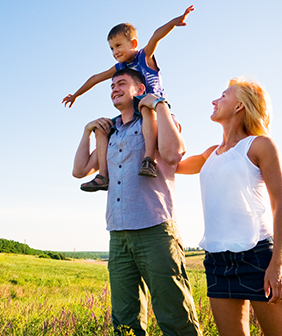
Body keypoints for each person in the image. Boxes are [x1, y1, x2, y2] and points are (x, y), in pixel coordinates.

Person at [72, 68, 202, 336]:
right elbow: (80, 170)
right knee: (124, 319)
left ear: (139, 90)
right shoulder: (112, 133)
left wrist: (159, 105)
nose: (114, 89)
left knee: (174, 314)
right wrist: (87, 131)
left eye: (121, 83)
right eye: (111, 86)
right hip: (118, 234)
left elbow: (174, 153)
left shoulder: (156, 120)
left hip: (154, 229)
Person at [176, 77, 282, 336]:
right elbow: (170, 164)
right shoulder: (210, 154)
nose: (214, 100)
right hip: (217, 261)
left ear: (239, 106)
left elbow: (280, 205)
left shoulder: (260, 145)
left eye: (222, 96)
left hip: (258, 256)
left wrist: (277, 263)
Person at [64, 6, 194, 192]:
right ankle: (103, 175)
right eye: (111, 48)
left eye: (118, 46)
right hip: (133, 111)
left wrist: (174, 22)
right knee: (103, 128)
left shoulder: (144, 57)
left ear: (133, 43)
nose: (115, 51)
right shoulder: (120, 67)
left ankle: (148, 159)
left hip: (152, 105)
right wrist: (76, 94)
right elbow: (96, 78)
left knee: (145, 107)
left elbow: (156, 36)